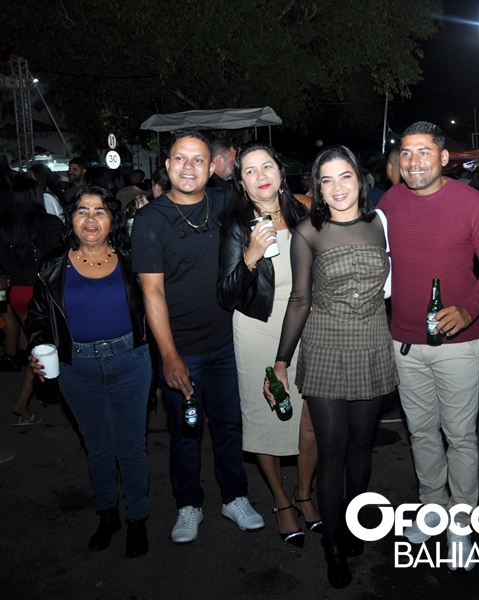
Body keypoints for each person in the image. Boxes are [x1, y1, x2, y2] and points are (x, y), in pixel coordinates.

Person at [271, 145, 397, 589]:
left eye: (345, 176)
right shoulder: (308, 231)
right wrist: (282, 360)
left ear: (359, 179)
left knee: (362, 444)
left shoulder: (379, 223)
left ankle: (353, 520)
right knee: (332, 449)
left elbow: (391, 286)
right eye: (327, 180)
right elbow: (299, 299)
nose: (337, 187)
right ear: (317, 187)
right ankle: (332, 543)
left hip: (371, 343)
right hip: (325, 344)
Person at [377, 121, 479, 570]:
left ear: (444, 158)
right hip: (405, 343)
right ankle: (433, 510)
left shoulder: (472, 203)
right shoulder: (389, 203)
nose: (414, 161)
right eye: (407, 153)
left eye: (424, 152)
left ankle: (462, 522)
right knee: (421, 432)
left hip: (459, 343)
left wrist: (469, 310)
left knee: (460, 436)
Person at [131, 129, 264, 545]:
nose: (188, 167)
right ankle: (189, 503)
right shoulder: (151, 220)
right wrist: (169, 356)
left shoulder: (225, 203)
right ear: (167, 165)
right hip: (182, 350)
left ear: (212, 169)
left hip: (228, 345)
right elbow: (152, 293)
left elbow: (275, 203)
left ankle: (234, 496)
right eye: (180, 158)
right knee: (186, 434)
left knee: (230, 426)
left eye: (198, 160)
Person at [26, 185, 152, 558]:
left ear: (113, 220)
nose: (91, 218)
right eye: (83, 211)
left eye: (100, 211)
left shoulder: (132, 260)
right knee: (96, 445)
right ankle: (107, 512)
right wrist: (37, 349)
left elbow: (156, 306)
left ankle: (137, 517)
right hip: (76, 367)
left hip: (131, 362)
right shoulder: (52, 265)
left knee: (131, 446)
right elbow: (37, 317)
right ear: (71, 219)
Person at [217, 141, 320, 549]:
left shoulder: (303, 211)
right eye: (249, 170)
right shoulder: (236, 224)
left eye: (267, 167)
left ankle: (304, 493)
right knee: (267, 417)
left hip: (305, 325)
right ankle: (281, 502)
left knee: (311, 419)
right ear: (241, 182)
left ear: (280, 170)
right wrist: (252, 255)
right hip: (258, 328)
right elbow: (226, 295)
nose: (261, 176)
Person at [0, 177, 64, 424]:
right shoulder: (49, 223)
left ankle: (43, 390)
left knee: (34, 343)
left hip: (15, 292)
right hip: (41, 293)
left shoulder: (4, 225)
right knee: (43, 348)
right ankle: (22, 402)